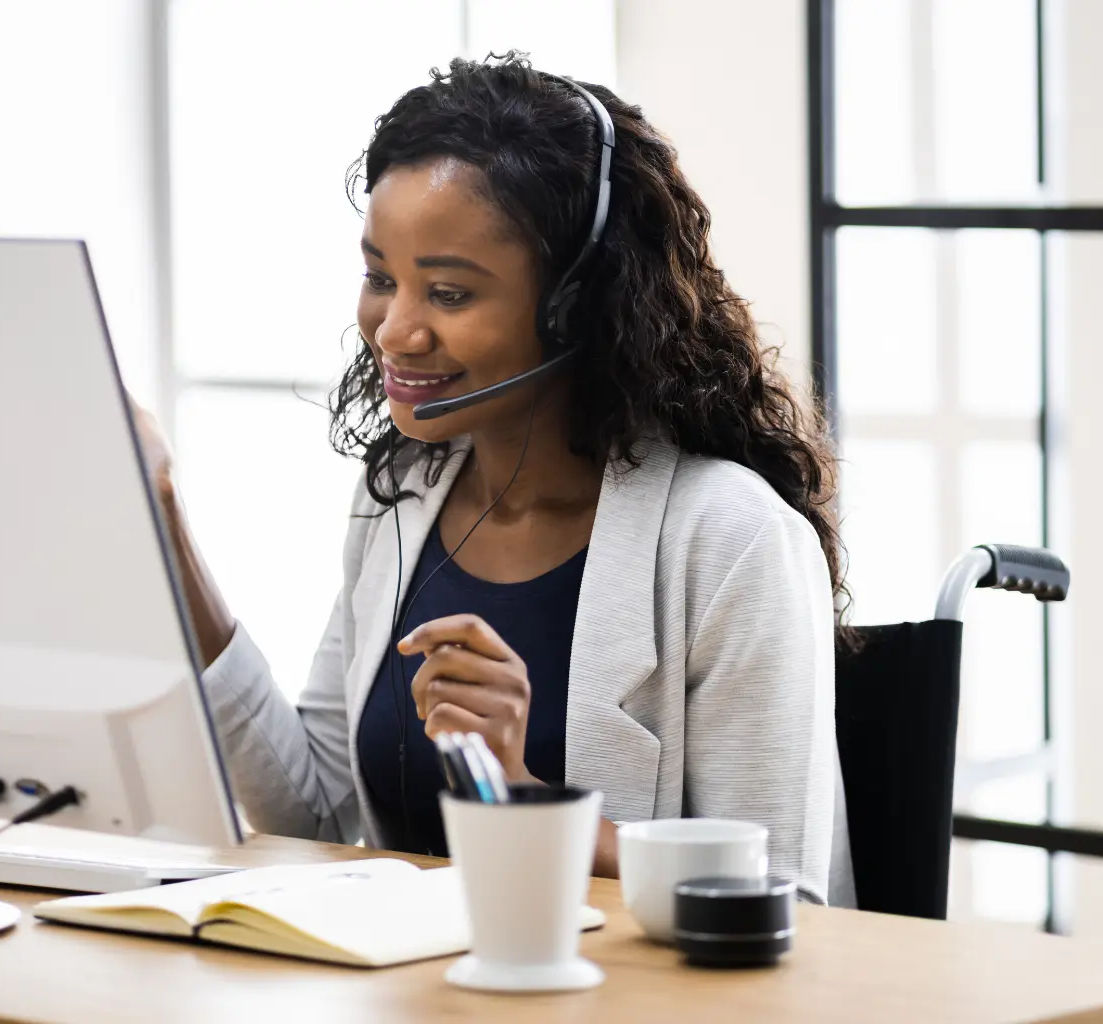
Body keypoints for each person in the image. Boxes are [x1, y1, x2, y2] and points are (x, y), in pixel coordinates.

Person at [137, 53, 853, 904]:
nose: (395, 331)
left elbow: (786, 901)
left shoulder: (730, 537)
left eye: (446, 292)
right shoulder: (401, 495)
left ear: (575, 307)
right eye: (379, 278)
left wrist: (523, 797)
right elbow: (315, 816)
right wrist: (165, 520)